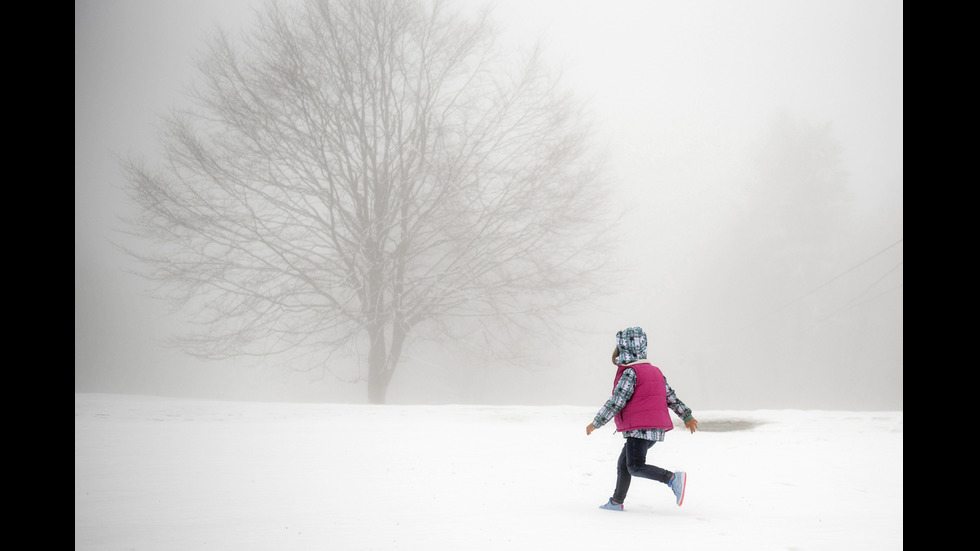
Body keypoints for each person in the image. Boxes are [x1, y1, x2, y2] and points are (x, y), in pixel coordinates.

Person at [585, 326, 698, 510]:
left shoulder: (631, 373)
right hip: (653, 426)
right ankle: (616, 502)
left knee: (635, 466)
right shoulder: (655, 371)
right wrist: (686, 416)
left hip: (640, 427)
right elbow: (671, 397)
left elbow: (617, 401)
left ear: (623, 350)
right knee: (624, 463)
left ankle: (672, 478)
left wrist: (596, 423)